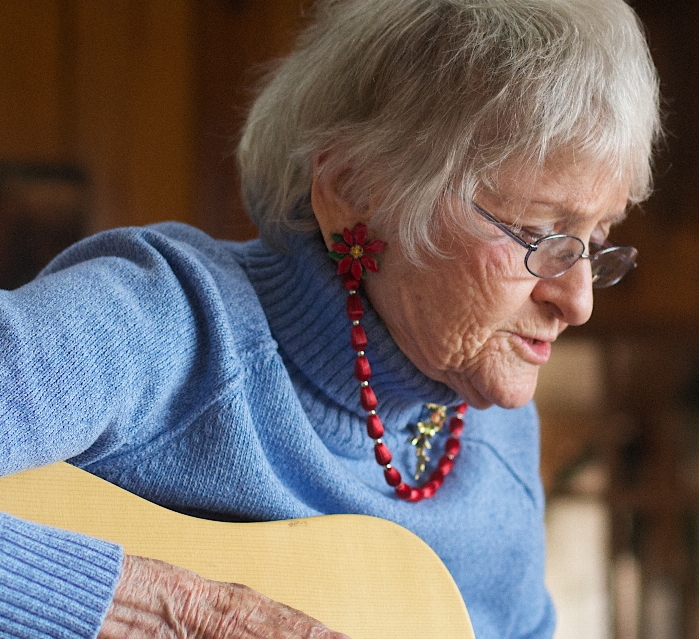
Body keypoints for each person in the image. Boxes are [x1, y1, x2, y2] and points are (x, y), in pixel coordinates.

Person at [0, 0, 660, 637]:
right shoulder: (159, 324)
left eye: (596, 242)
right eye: (539, 232)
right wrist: (151, 611)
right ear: (352, 191)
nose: (579, 300)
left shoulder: (499, 440)